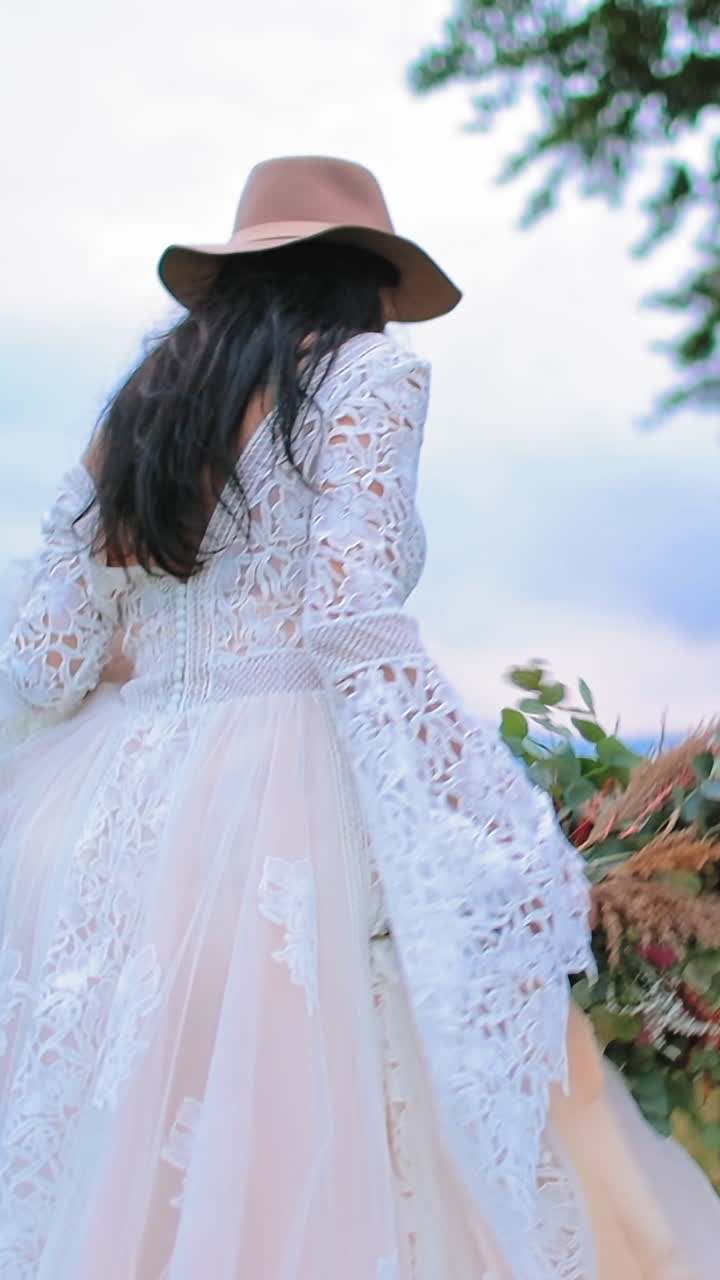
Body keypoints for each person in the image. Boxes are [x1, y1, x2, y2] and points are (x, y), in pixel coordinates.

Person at [0, 155, 717, 1280]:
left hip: (103, 829)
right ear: (365, 279)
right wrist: (477, 807)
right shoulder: (370, 375)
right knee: (308, 1130)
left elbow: (43, 664)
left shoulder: (139, 408)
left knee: (132, 1152)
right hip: (282, 803)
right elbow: (349, 618)